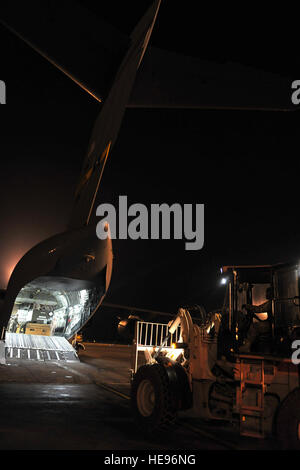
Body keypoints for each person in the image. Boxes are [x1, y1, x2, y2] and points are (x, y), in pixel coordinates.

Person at [239, 287, 273, 353]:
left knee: (253, 326)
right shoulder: (271, 302)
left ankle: (247, 346)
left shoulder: (271, 303)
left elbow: (259, 309)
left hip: (270, 325)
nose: (266, 294)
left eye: (267, 292)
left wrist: (248, 306)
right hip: (270, 323)